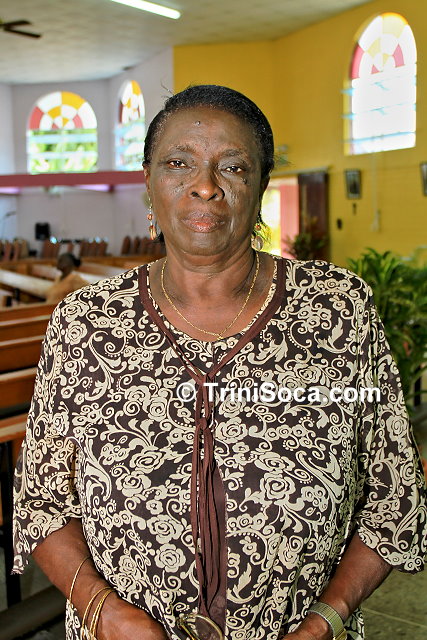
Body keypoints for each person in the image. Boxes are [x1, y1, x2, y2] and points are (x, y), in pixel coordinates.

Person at [13, 85, 426, 640]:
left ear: (260, 186)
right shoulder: (85, 324)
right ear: (148, 181)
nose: (205, 185)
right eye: (178, 163)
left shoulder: (337, 311)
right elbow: (42, 502)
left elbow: (392, 496)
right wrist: (103, 612)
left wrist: (324, 623)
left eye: (232, 167)